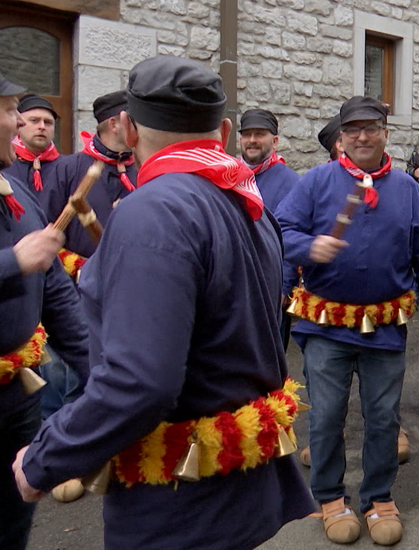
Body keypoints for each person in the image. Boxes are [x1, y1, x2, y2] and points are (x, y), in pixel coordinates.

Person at [13, 55, 315, 550]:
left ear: (128, 130)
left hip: (177, 499)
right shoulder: (245, 198)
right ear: (221, 130)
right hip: (234, 490)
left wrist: (44, 458)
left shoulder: (152, 210)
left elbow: (141, 381)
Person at [276, 96, 419, 545]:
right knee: (328, 415)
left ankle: (378, 497)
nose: (362, 136)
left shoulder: (409, 189)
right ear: (341, 137)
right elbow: (280, 232)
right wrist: (309, 248)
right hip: (325, 326)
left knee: (383, 415)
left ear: (385, 132)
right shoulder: (315, 181)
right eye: (353, 129)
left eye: (371, 127)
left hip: (385, 326)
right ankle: (331, 497)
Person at [0, 70, 89, 550]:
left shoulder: (15, 192)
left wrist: (105, 377)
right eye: (10, 110)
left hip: (17, 397)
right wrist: (12, 261)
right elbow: (28, 262)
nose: (17, 125)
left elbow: (55, 292)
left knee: (14, 518)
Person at [47, 90, 138, 259]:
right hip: (76, 282)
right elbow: (45, 230)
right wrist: (76, 269)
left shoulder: (142, 169)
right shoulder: (66, 168)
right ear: (113, 125)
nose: (140, 128)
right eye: (133, 122)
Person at [239, 108, 301, 351]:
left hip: (270, 287)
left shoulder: (291, 183)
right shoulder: (228, 175)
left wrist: (284, 286)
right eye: (247, 134)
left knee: (269, 360)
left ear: (274, 141)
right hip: (231, 286)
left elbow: (290, 237)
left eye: (260, 134)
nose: (252, 140)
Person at [2, 94, 64, 197]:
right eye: (34, 121)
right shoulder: (5, 164)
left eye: (48, 122)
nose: (42, 127)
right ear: (19, 124)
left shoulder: (65, 168)